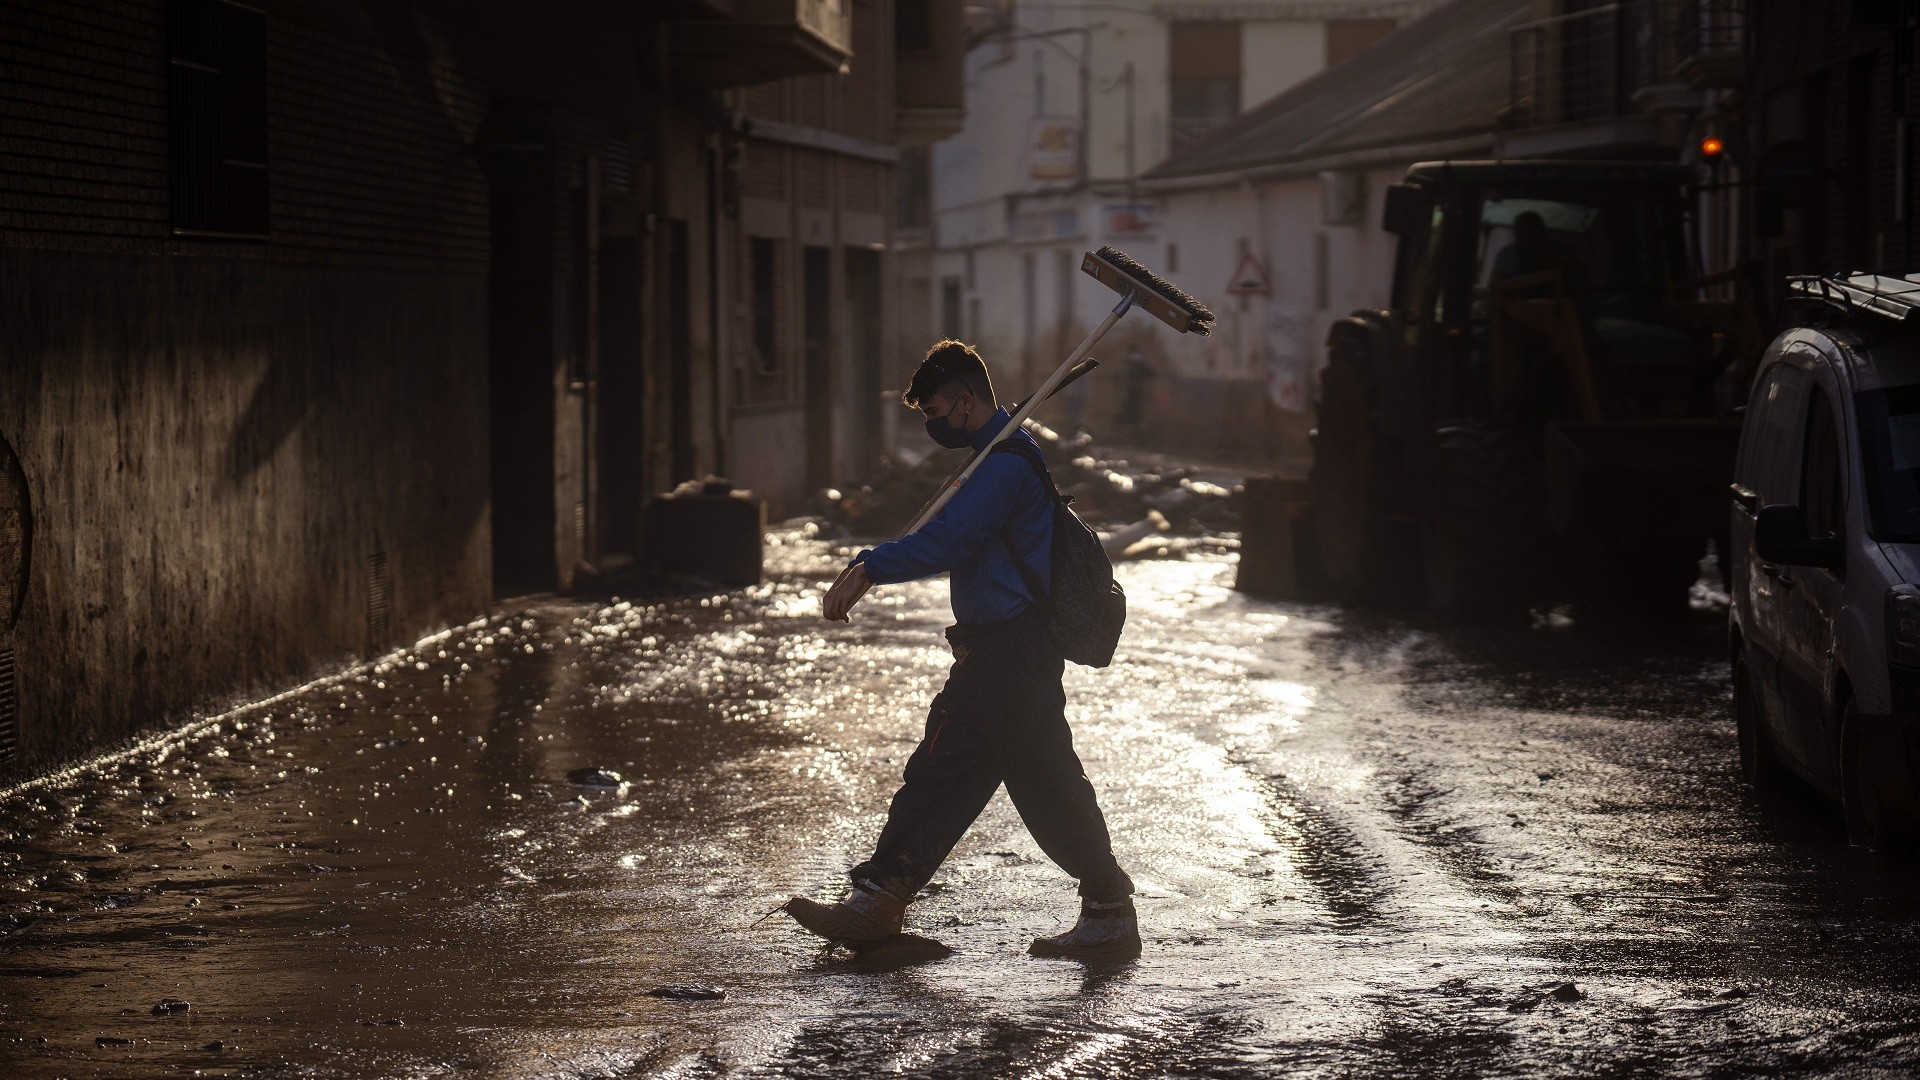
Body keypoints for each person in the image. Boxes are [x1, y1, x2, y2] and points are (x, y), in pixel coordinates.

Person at [789, 340, 1139, 960]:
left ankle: (1105, 912)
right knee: (966, 776)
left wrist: (869, 567)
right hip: (998, 650)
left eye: (936, 409)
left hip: (1012, 652)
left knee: (1018, 782)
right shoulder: (990, 457)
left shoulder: (1003, 465)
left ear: (964, 397)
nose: (933, 423)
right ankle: (882, 902)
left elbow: (951, 541)